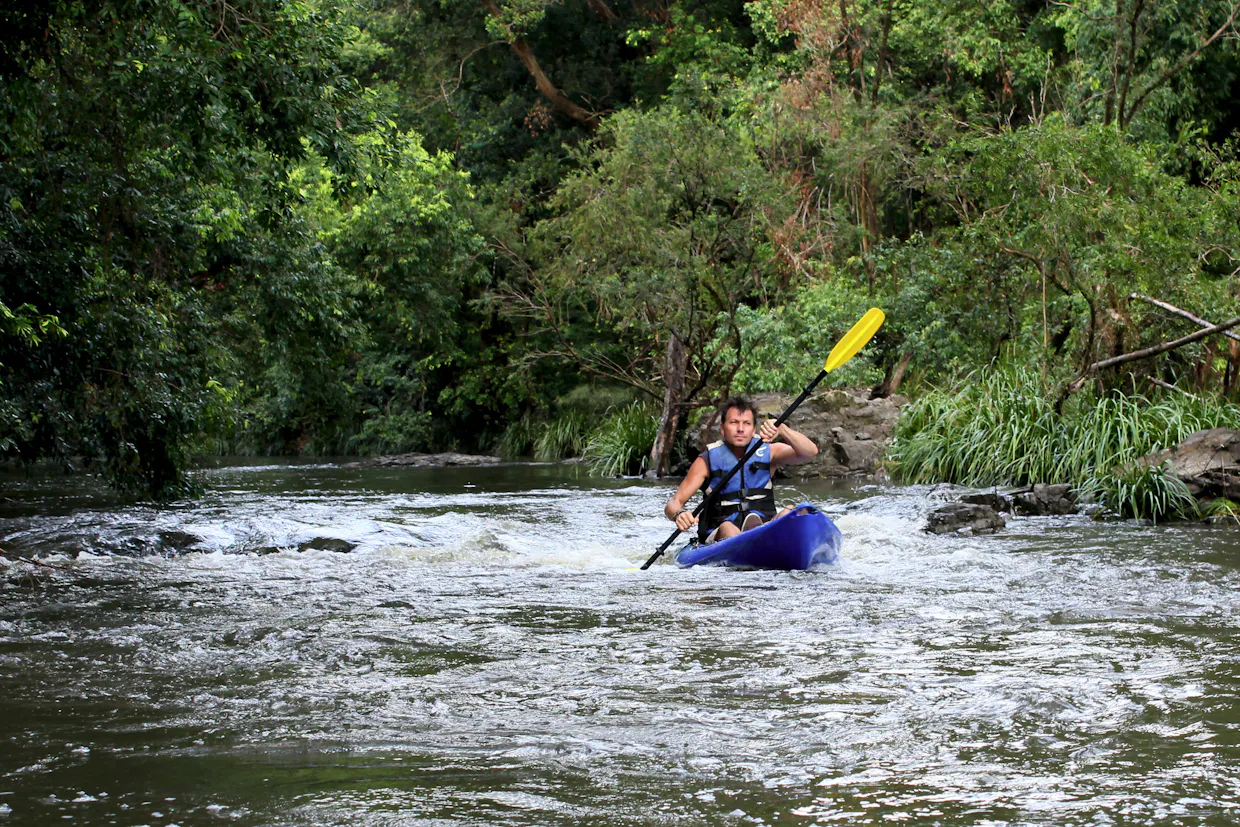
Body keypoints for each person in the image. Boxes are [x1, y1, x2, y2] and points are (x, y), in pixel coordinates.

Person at [664, 396, 819, 544]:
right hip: (720, 532)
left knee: (789, 512)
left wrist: (783, 429)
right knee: (728, 528)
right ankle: (747, 541)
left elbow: (809, 452)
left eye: (746, 423)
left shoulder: (770, 452)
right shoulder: (706, 460)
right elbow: (674, 503)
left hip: (766, 527)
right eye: (733, 422)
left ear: (753, 430)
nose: (740, 429)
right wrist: (679, 514)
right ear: (722, 429)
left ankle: (757, 533)